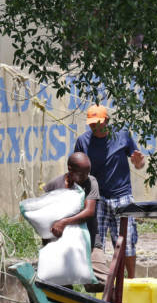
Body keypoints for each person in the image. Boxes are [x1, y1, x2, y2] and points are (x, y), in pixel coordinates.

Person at [74, 105, 145, 278]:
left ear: (106, 121)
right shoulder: (83, 141)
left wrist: (138, 163)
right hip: (97, 199)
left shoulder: (122, 136)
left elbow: (139, 164)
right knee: (96, 244)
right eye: (91, 124)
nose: (94, 127)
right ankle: (101, 283)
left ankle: (131, 280)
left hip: (123, 197)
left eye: (98, 123)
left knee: (127, 243)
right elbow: (76, 169)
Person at [43, 152, 108, 290]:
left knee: (102, 283)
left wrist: (64, 222)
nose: (85, 177)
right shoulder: (54, 186)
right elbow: (46, 219)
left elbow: (89, 211)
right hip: (63, 244)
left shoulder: (91, 182)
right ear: (70, 169)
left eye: (87, 173)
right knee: (60, 286)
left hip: (89, 241)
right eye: (81, 174)